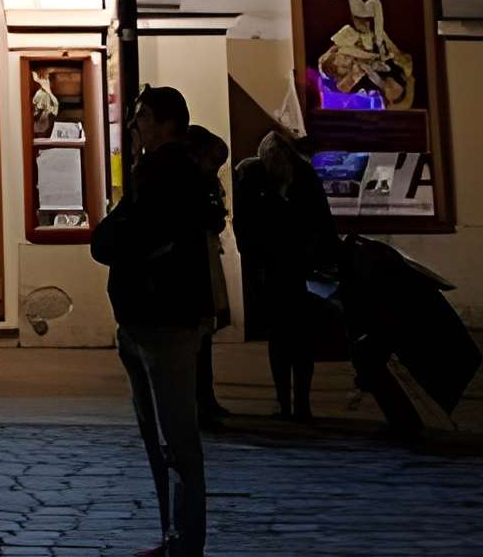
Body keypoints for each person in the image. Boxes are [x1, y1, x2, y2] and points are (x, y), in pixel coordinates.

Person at [93, 85, 219, 557]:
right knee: (162, 438)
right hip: (147, 317)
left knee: (175, 440)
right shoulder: (158, 172)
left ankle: (184, 540)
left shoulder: (171, 175)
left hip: (162, 318)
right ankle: (174, 534)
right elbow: (114, 234)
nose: (135, 125)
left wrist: (115, 239)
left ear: (167, 123)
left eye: (143, 116)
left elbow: (124, 237)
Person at [230, 128, 336, 421]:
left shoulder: (265, 175)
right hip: (283, 267)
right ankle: (294, 402)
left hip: (287, 267)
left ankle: (293, 402)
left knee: (289, 339)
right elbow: (320, 223)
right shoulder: (266, 176)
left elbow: (247, 224)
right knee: (291, 338)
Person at [182, 127, 232, 429]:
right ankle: (200, 400)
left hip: (204, 262)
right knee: (197, 338)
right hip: (196, 266)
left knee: (202, 337)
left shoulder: (203, 184)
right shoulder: (194, 186)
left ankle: (205, 397)